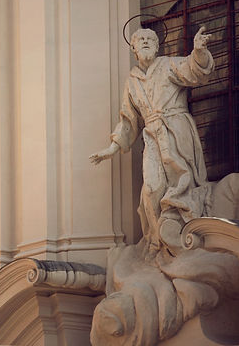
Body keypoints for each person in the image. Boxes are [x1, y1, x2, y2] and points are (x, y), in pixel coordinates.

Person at [90, 26, 213, 251]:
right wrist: (112, 147)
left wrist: (199, 51)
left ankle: (184, 228)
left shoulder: (167, 65)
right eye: (141, 39)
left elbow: (194, 70)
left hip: (176, 128)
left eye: (150, 39)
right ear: (133, 48)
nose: (146, 42)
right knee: (151, 188)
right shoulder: (132, 80)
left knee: (182, 180)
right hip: (152, 134)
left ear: (157, 47)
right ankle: (159, 240)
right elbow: (128, 120)